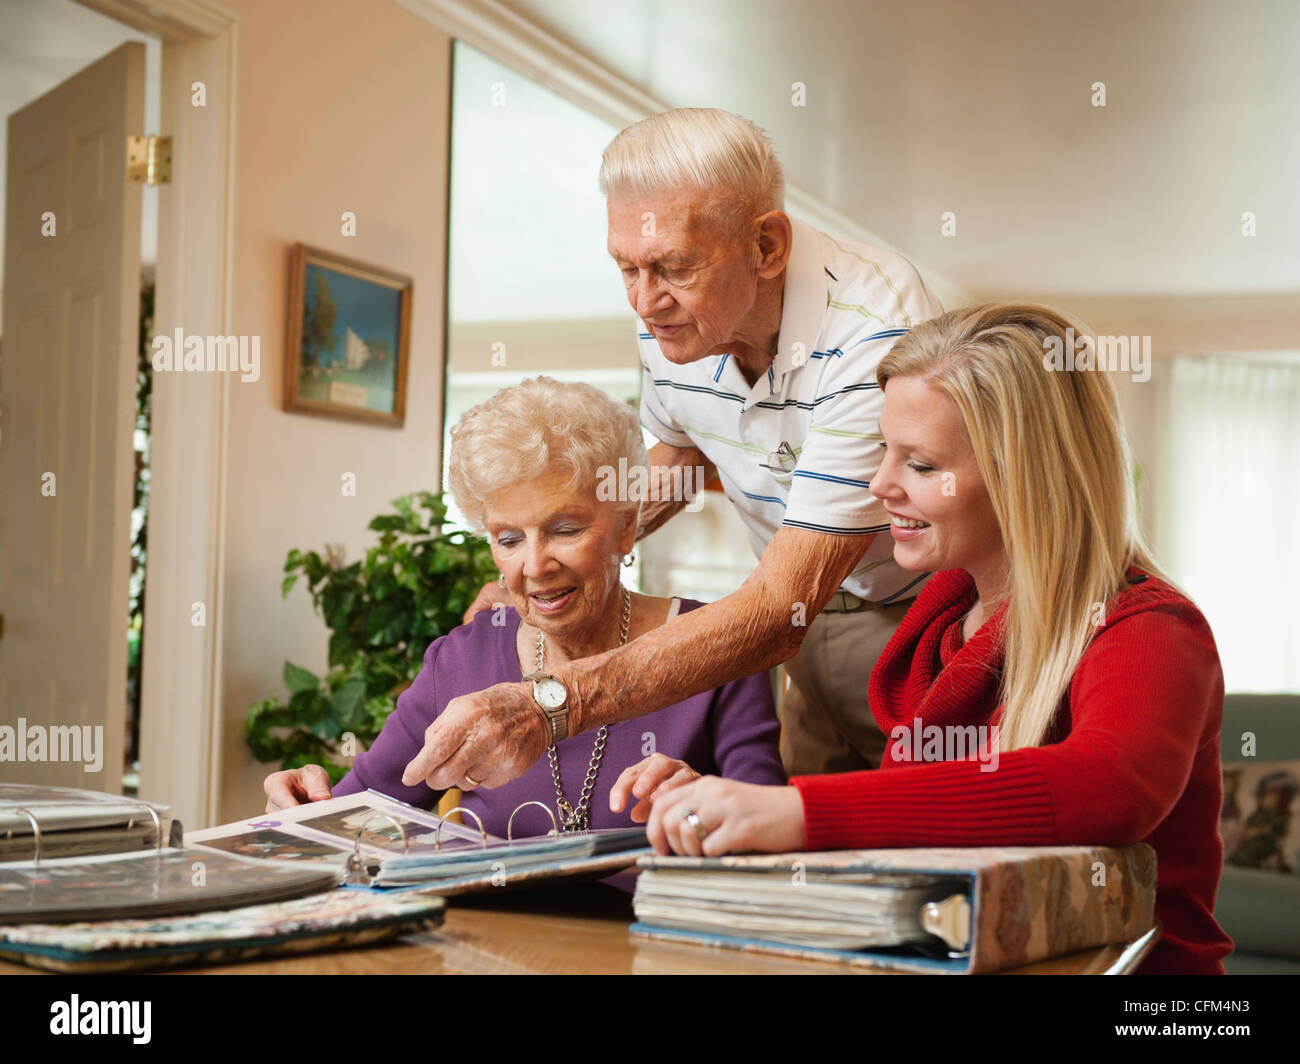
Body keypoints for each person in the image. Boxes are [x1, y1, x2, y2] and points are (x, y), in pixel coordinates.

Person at [618, 303, 1233, 975]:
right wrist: (719, 806)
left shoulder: (1150, 630)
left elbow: (1105, 785)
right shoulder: (938, 628)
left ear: (1019, 476)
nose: (879, 485)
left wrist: (795, 812)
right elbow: (923, 829)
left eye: (920, 463)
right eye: (885, 450)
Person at [413, 107, 945, 799]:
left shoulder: (878, 333)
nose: (644, 300)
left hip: (925, 627)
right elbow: (684, 450)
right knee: (823, 870)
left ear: (766, 246)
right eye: (626, 268)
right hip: (810, 634)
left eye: (671, 267)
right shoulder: (677, 320)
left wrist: (550, 702)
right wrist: (571, 547)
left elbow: (780, 602)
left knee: (934, 851)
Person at [262, 377, 785, 835]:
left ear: (627, 526)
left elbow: (767, 842)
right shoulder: (460, 660)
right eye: (509, 539)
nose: (535, 565)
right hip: (493, 944)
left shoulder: (716, 648)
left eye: (564, 529)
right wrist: (305, 802)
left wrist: (702, 802)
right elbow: (361, 812)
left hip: (653, 943)